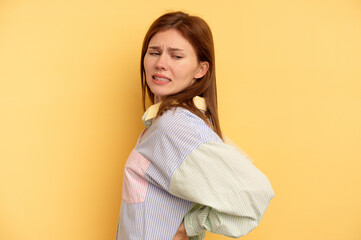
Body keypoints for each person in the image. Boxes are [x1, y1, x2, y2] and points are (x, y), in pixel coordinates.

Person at [116, 11, 274, 240]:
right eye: (154, 52)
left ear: (201, 70)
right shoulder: (168, 122)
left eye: (176, 56)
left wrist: (190, 225)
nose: (160, 63)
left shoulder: (174, 126)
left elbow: (255, 193)